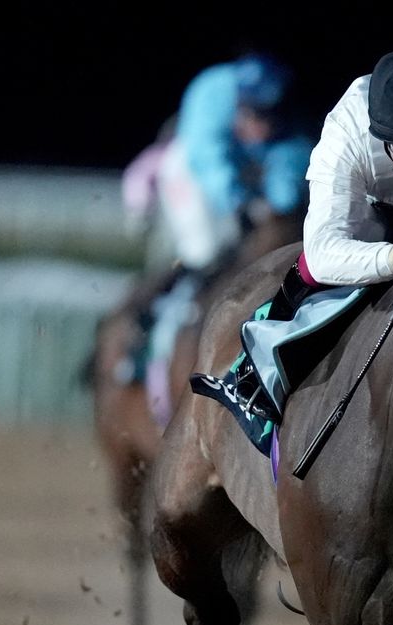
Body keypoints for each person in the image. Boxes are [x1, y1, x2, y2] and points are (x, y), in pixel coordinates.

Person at [189, 42, 393, 452]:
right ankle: (252, 375)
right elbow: (323, 255)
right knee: (218, 246)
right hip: (370, 206)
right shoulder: (348, 128)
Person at [116, 52, 314, 389]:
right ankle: (140, 332)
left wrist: (276, 204)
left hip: (247, 172)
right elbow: (208, 159)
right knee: (205, 249)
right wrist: (237, 202)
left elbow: (290, 162)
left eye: (271, 115)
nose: (264, 125)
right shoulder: (213, 92)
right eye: (256, 114)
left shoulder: (285, 116)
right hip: (192, 169)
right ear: (239, 104)